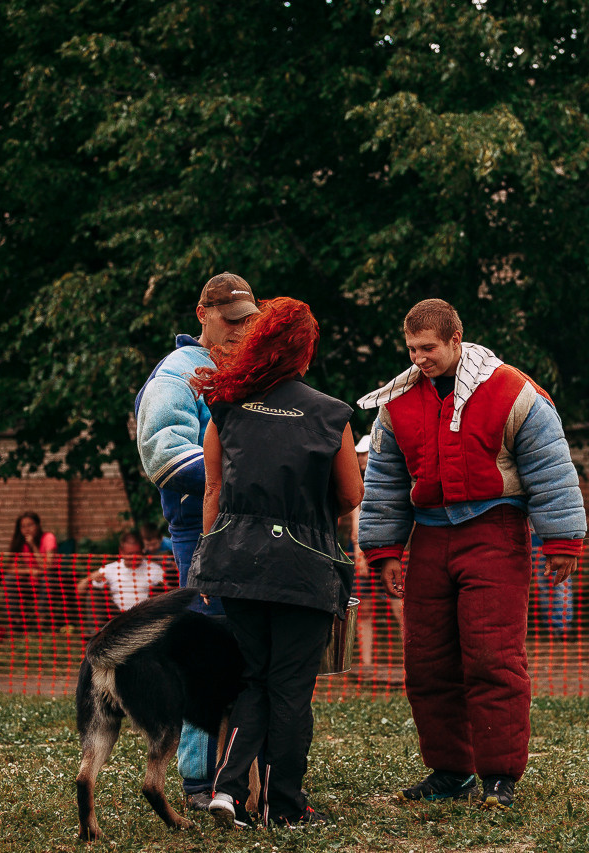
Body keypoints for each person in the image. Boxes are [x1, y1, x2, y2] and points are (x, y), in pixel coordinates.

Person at [358, 298, 587, 811]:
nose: (419, 358)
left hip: (495, 533)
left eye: (429, 348)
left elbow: (551, 467)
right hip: (430, 538)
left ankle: (499, 777)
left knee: (492, 658)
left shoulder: (513, 391)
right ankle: (450, 771)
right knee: (426, 662)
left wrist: (562, 540)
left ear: (456, 340)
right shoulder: (398, 403)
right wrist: (385, 549)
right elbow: (387, 482)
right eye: (412, 349)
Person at [188, 296, 363, 829]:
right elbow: (352, 494)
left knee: (253, 681)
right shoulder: (330, 414)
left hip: (235, 561)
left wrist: (210, 560)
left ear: (259, 341)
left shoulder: (226, 404)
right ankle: (284, 807)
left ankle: (227, 790)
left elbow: (213, 488)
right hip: (304, 569)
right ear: (305, 352)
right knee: (290, 690)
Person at [134, 271, 258, 810]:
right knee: (207, 653)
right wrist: (245, 476)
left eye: (246, 321)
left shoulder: (249, 369)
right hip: (199, 532)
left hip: (253, 527)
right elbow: (163, 455)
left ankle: (241, 778)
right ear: (202, 314)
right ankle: (197, 780)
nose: (237, 330)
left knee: (249, 652)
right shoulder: (177, 375)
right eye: (229, 321)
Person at [346, 434, 405, 672]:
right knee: (365, 609)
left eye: (365, 453)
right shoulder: (357, 485)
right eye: (359, 454)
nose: (361, 458)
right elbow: (354, 523)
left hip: (387, 551)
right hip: (364, 552)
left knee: (398, 605)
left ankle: (411, 658)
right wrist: (359, 554)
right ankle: (367, 664)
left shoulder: (388, 482)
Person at [76, 530, 168, 617]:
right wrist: (90, 579)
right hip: (117, 617)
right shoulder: (110, 569)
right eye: (130, 554)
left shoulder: (155, 569)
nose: (134, 557)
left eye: (137, 553)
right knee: (93, 593)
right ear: (121, 552)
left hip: (145, 616)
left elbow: (169, 591)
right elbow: (79, 592)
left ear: (142, 550)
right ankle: (95, 633)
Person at [4, 512, 57, 633]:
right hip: (30, 581)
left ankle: (42, 620)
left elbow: (47, 566)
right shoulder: (20, 543)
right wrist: (29, 571)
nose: (27, 529)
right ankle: (16, 620)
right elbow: (10, 568)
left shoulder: (48, 538)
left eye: (30, 525)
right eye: (23, 526)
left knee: (47, 579)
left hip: (49, 579)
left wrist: (33, 545)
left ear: (38, 525)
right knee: (10, 578)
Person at [531, 530, 574, 640]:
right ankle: (553, 629)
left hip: (555, 535)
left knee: (559, 584)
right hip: (534, 536)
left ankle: (562, 629)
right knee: (545, 587)